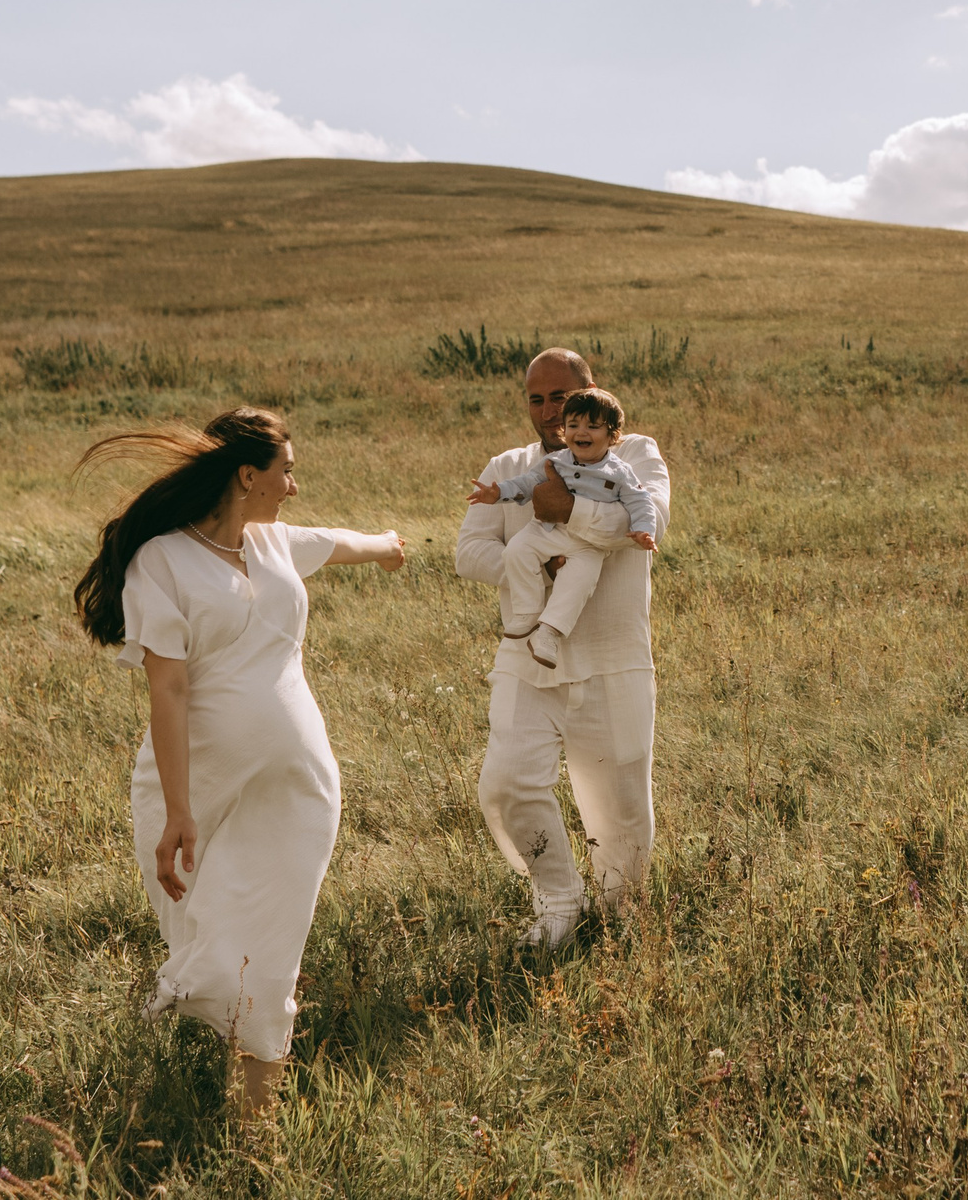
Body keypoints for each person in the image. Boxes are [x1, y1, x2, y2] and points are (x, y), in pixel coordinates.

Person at [71, 406, 406, 1118]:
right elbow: (169, 686)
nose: (293, 485)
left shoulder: (276, 545)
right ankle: (206, 1052)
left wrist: (388, 544)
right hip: (199, 788)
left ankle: (256, 1128)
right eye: (287, 470)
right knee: (218, 952)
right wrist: (180, 809)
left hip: (297, 787)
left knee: (272, 947)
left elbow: (343, 541)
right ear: (248, 473)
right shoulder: (161, 560)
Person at [455, 349, 671, 950]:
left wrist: (567, 512)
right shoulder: (510, 465)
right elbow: (468, 552)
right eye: (536, 399)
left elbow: (654, 524)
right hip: (527, 657)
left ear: (590, 393)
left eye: (560, 397)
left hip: (612, 657)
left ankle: (622, 922)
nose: (551, 412)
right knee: (505, 784)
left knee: (621, 808)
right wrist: (538, 556)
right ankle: (558, 900)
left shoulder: (635, 453)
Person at [464, 385, 660, 672]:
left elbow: (640, 501)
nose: (581, 432)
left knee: (577, 582)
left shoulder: (619, 471)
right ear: (564, 431)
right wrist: (498, 493)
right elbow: (525, 483)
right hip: (545, 530)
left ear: (612, 435)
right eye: (573, 425)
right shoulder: (553, 461)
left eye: (593, 427)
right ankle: (527, 612)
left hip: (587, 544)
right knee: (517, 550)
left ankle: (549, 634)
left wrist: (644, 530)